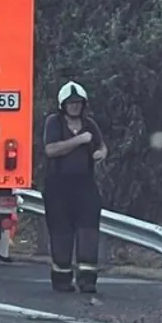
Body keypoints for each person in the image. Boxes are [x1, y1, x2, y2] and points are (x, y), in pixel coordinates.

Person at [41, 81, 106, 293]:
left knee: (88, 232)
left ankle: (87, 280)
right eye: (70, 104)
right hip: (58, 187)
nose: (74, 107)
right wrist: (79, 140)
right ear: (63, 105)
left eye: (78, 103)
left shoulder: (90, 125)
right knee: (61, 233)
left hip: (85, 186)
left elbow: (101, 145)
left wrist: (100, 153)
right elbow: (50, 150)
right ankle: (61, 279)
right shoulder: (54, 123)